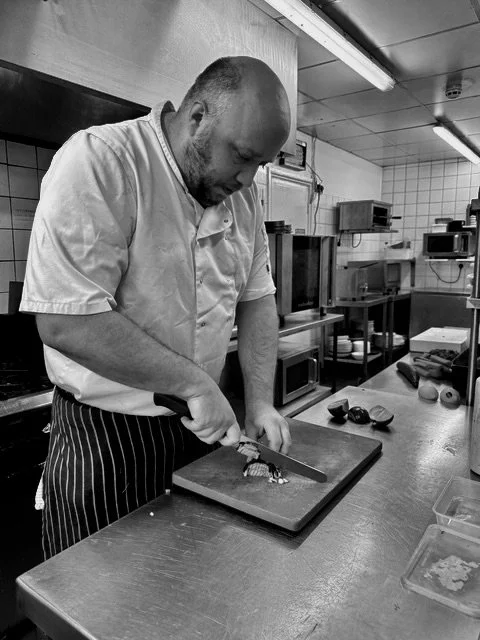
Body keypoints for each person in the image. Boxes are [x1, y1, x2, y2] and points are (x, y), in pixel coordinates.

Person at [20, 55, 292, 559]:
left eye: (261, 165)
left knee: (185, 588)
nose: (248, 179)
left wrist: (259, 400)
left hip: (198, 432)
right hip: (105, 440)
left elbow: (258, 300)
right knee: (94, 610)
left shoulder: (244, 202)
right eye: (242, 156)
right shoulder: (103, 160)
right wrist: (193, 382)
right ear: (197, 117)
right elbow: (63, 320)